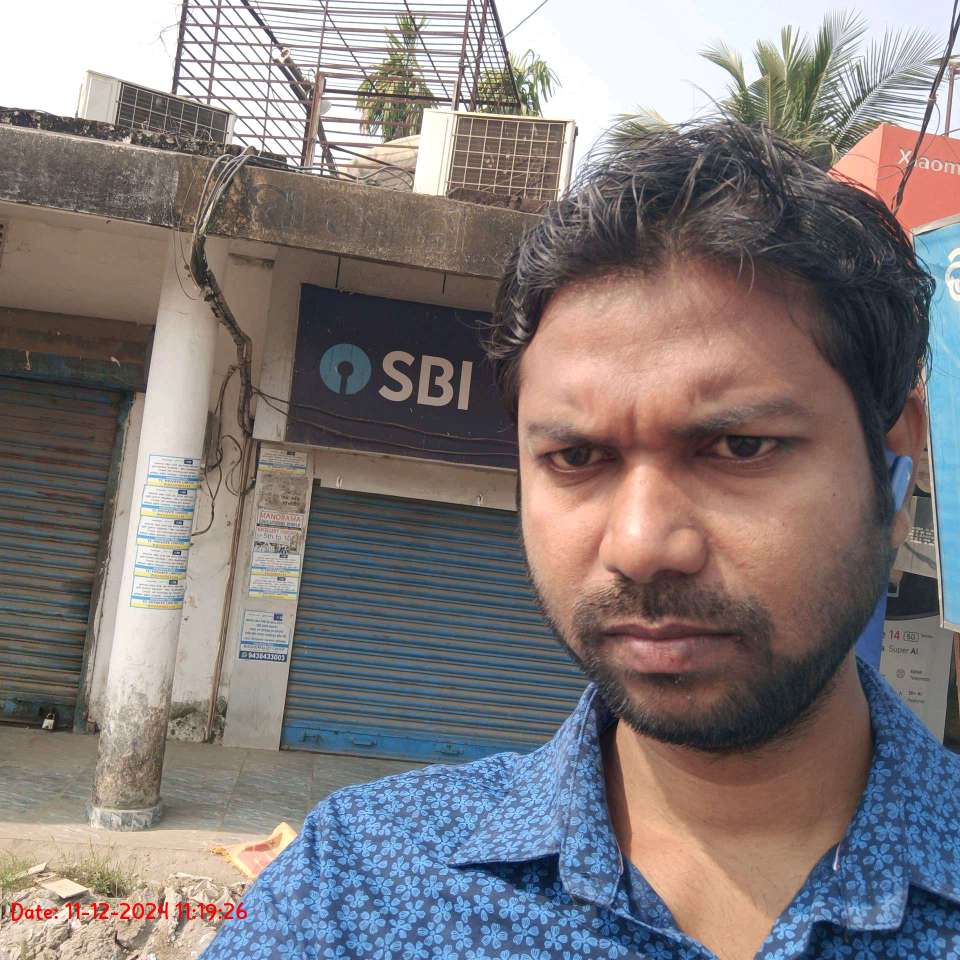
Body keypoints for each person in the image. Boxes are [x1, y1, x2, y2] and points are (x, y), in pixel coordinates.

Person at [202, 122, 959, 960]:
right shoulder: (359, 889)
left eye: (739, 446)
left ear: (896, 458)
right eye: (575, 458)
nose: (640, 545)